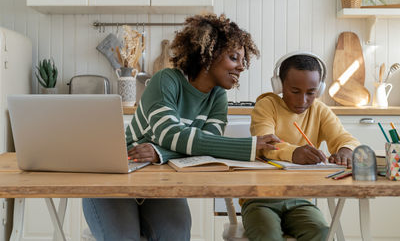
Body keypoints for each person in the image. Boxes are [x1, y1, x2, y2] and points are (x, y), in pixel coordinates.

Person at [83, 13, 281, 241]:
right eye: (234, 58)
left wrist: (159, 153)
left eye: (242, 60)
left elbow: (206, 149)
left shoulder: (218, 97)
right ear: (209, 54)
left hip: (162, 182)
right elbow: (172, 134)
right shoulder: (166, 80)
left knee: (176, 235)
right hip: (119, 175)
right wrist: (247, 146)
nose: (241, 67)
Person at [241, 52, 360, 241]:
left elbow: (346, 138)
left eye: (311, 93)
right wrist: (294, 152)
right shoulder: (266, 105)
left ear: (319, 90)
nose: (302, 100)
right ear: (279, 86)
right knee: (268, 236)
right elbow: (264, 144)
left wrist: (346, 149)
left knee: (321, 234)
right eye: (295, 91)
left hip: (301, 200)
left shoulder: (320, 110)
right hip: (260, 199)